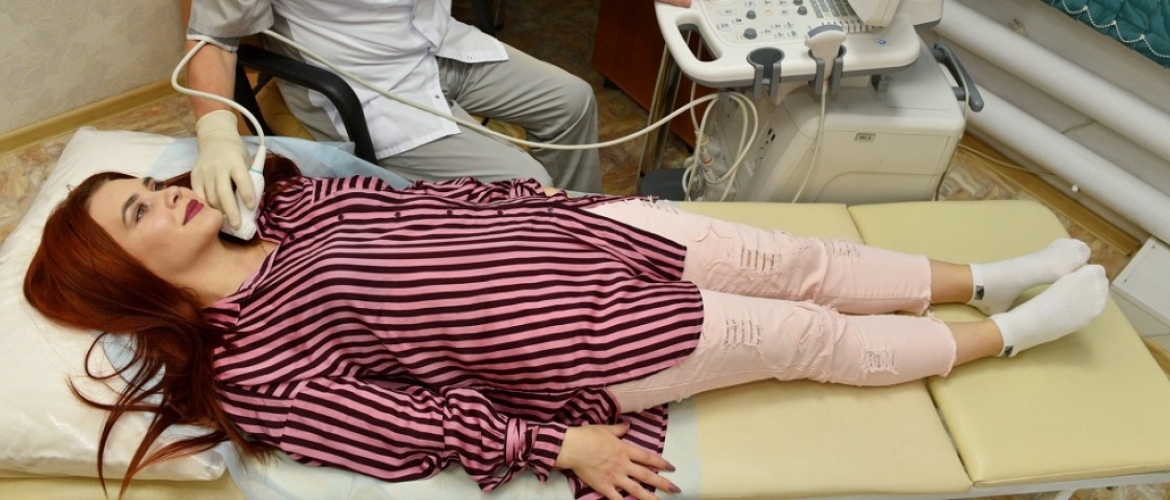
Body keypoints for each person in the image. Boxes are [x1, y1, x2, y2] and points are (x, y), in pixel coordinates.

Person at [24, 156, 1109, 500]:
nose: (170, 196)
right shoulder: (248, 361)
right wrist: (558, 444)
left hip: (587, 232)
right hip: (592, 338)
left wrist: (545, 201)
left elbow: (427, 199)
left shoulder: (288, 208)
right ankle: (1018, 334)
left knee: (798, 260)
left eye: (152, 185)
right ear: (126, 276)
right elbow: (394, 427)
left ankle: (991, 275)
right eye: (139, 213)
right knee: (803, 334)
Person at [185, 0, 614, 234]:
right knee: (528, 182)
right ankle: (553, 278)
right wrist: (216, 132)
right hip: (364, 84)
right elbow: (214, 39)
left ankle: (596, 239)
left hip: (435, 43)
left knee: (573, 101)